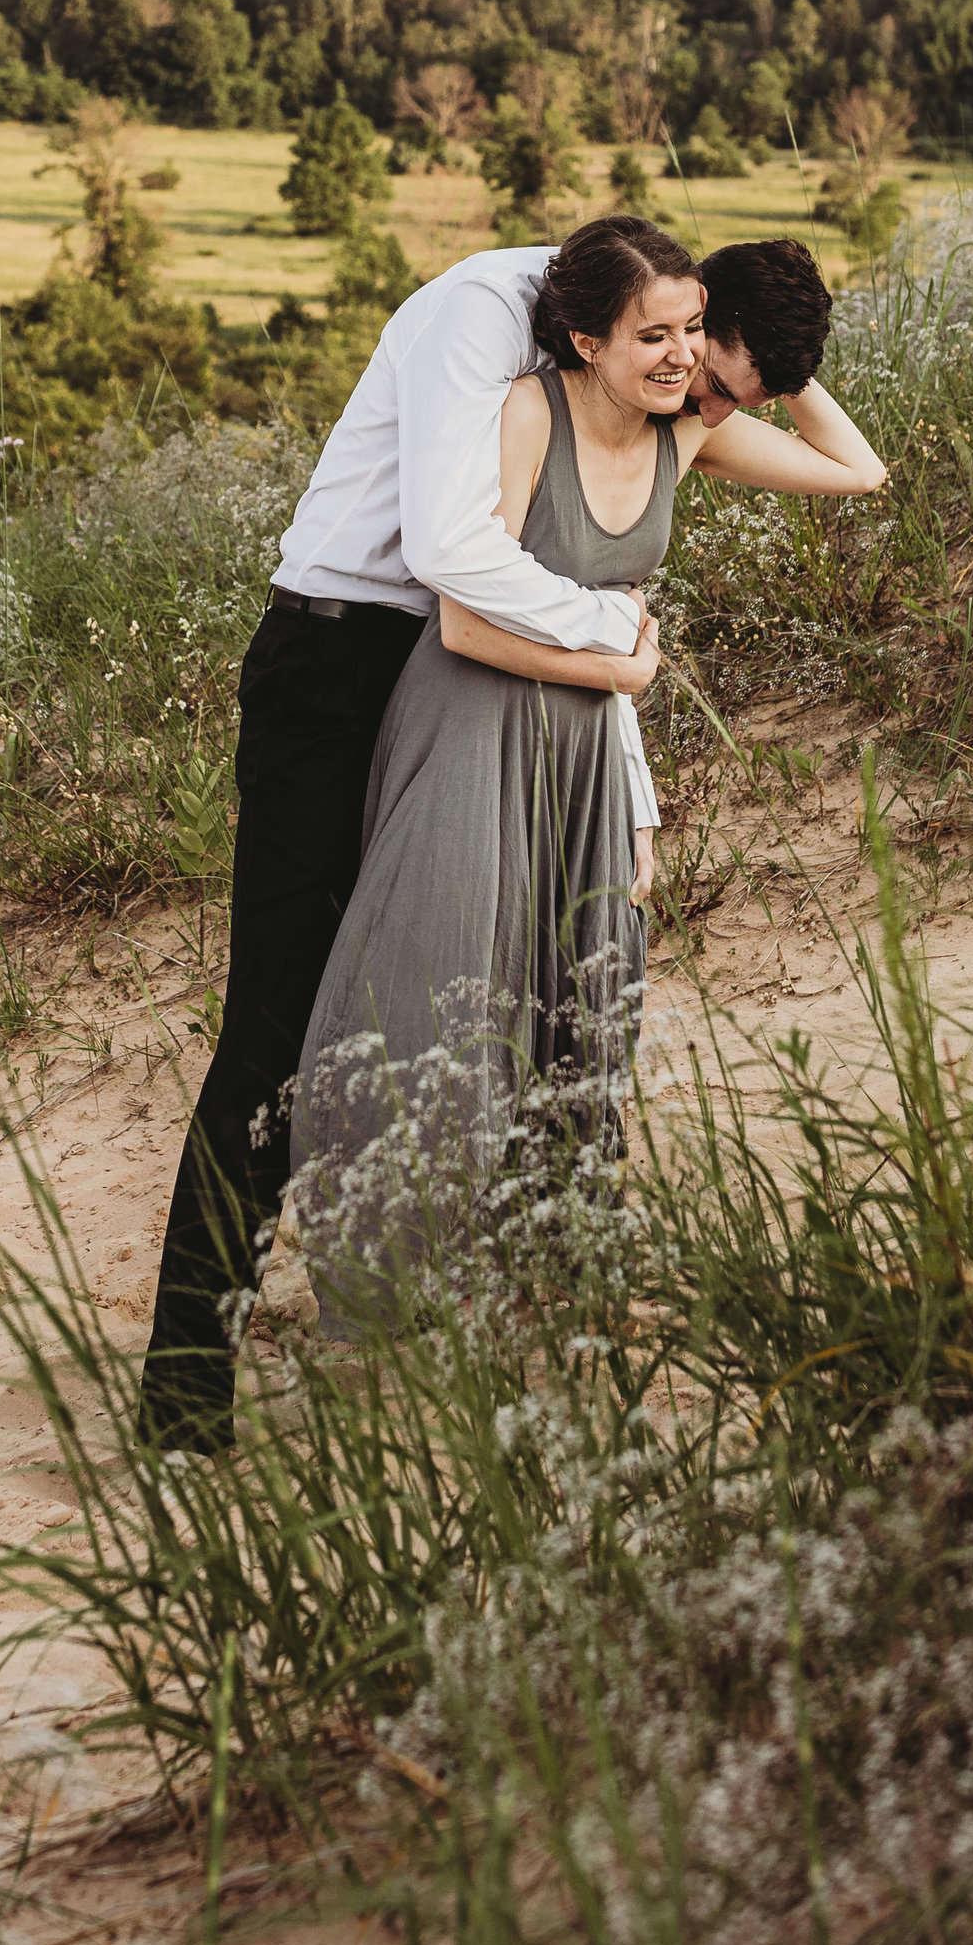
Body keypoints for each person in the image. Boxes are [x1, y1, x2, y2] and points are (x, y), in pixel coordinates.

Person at [139, 223, 674, 1451]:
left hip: (459, 682)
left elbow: (598, 634)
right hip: (336, 661)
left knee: (469, 1007)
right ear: (604, 315)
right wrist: (606, 626)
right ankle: (183, 1396)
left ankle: (420, 1307)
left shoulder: (597, 376)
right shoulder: (479, 313)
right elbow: (456, 556)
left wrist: (632, 782)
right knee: (273, 1033)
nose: (678, 376)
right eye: (670, 344)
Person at [288, 224, 886, 1315]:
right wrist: (619, 661)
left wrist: (777, 361)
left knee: (579, 986)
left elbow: (860, 472)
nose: (702, 390)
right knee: (441, 987)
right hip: (475, 717)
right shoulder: (527, 408)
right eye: (676, 350)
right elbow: (464, 622)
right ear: (597, 338)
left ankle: (544, 1257)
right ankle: (393, 1283)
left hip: (585, 745)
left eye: (699, 340)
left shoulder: (691, 435)